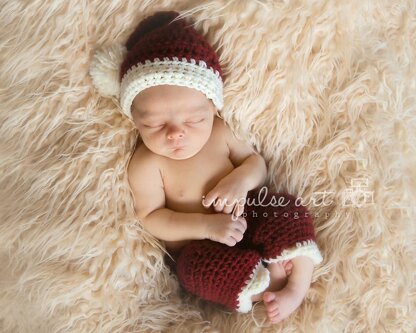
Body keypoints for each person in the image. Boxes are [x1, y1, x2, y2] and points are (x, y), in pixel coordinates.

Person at [89, 11, 323, 324]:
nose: (175, 133)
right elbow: (153, 218)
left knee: (286, 207)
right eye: (154, 123)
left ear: (212, 107)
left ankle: (295, 285)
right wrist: (206, 226)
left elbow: (256, 165)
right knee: (193, 272)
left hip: (247, 214)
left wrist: (239, 181)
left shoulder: (221, 133)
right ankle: (261, 286)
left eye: (193, 120)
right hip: (200, 245)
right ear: (134, 117)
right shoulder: (147, 164)